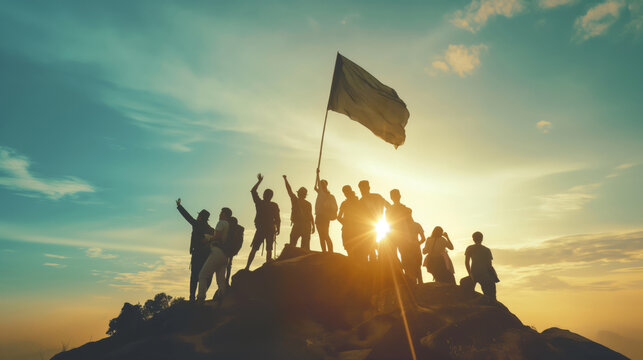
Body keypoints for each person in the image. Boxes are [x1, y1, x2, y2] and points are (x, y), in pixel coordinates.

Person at [176, 198, 214, 301]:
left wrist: (179, 206)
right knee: (205, 276)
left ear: (200, 217)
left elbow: (187, 216)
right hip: (207, 255)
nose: (197, 217)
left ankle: (192, 297)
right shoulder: (211, 229)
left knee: (194, 276)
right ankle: (201, 295)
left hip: (197, 254)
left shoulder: (197, 224)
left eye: (198, 215)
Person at [196, 207, 232, 302]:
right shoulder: (229, 225)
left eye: (221, 213)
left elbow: (218, 237)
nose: (219, 214)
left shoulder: (221, 223)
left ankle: (200, 297)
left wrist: (208, 239)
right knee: (221, 280)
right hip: (226, 255)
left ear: (224, 214)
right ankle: (223, 299)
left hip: (217, 252)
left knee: (202, 275)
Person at [245, 173, 281, 270]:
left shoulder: (260, 203)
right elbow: (278, 219)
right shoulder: (272, 205)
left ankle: (247, 267)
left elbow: (253, 191)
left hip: (263, 229)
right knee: (267, 249)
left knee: (256, 249)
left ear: (266, 195)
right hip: (268, 229)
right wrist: (278, 228)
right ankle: (263, 266)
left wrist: (259, 182)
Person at [358, 180, 390, 262]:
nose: (361, 191)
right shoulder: (361, 201)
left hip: (375, 223)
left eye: (363, 188)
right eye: (361, 189)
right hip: (367, 225)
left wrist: (389, 219)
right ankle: (374, 258)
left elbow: (388, 206)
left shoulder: (376, 197)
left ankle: (375, 258)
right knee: (369, 243)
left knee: (371, 242)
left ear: (368, 188)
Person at [283, 175, 315, 250]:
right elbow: (310, 216)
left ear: (299, 193)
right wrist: (313, 226)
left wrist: (285, 179)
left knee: (293, 244)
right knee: (305, 247)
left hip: (299, 225)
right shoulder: (307, 203)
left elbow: (289, 190)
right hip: (306, 225)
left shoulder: (295, 200)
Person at [465, 231, 499, 300]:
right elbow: (489, 265)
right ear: (482, 239)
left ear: (473, 239)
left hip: (474, 273)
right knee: (490, 297)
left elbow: (466, 262)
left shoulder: (470, 248)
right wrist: (493, 276)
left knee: (467, 295)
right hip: (485, 274)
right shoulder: (486, 250)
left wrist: (470, 274)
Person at [314, 169, 338, 253]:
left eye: (322, 184)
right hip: (320, 216)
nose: (321, 185)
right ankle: (325, 251)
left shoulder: (323, 194)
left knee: (324, 235)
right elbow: (315, 188)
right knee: (322, 235)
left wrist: (317, 174)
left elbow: (317, 187)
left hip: (322, 216)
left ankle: (329, 251)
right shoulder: (322, 194)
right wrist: (317, 176)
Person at [337, 185, 363, 259]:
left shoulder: (357, 202)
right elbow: (338, 217)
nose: (345, 194)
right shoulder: (345, 203)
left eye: (346, 192)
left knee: (356, 249)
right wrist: (345, 223)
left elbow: (338, 217)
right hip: (349, 229)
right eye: (344, 192)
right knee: (349, 247)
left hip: (356, 229)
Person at [403, 218, 425, 285]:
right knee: (417, 266)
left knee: (410, 266)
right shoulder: (417, 225)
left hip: (407, 249)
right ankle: (420, 283)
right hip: (414, 248)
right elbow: (423, 238)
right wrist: (417, 243)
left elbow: (423, 238)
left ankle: (413, 284)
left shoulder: (402, 226)